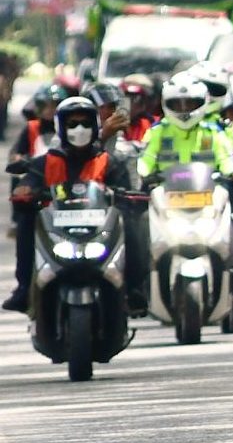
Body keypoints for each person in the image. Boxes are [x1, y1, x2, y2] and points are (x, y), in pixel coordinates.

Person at [3, 98, 132, 312]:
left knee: (135, 223)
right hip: (57, 234)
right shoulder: (45, 162)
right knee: (26, 222)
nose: (79, 129)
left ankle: (133, 288)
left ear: (95, 126)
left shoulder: (109, 162)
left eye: (85, 123)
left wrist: (130, 199)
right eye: (73, 124)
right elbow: (29, 182)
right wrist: (24, 190)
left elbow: (127, 193)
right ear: (61, 127)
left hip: (100, 235)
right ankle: (24, 288)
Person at [120, 74, 160, 142]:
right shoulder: (111, 122)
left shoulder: (155, 124)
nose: (127, 103)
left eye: (134, 98)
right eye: (123, 97)